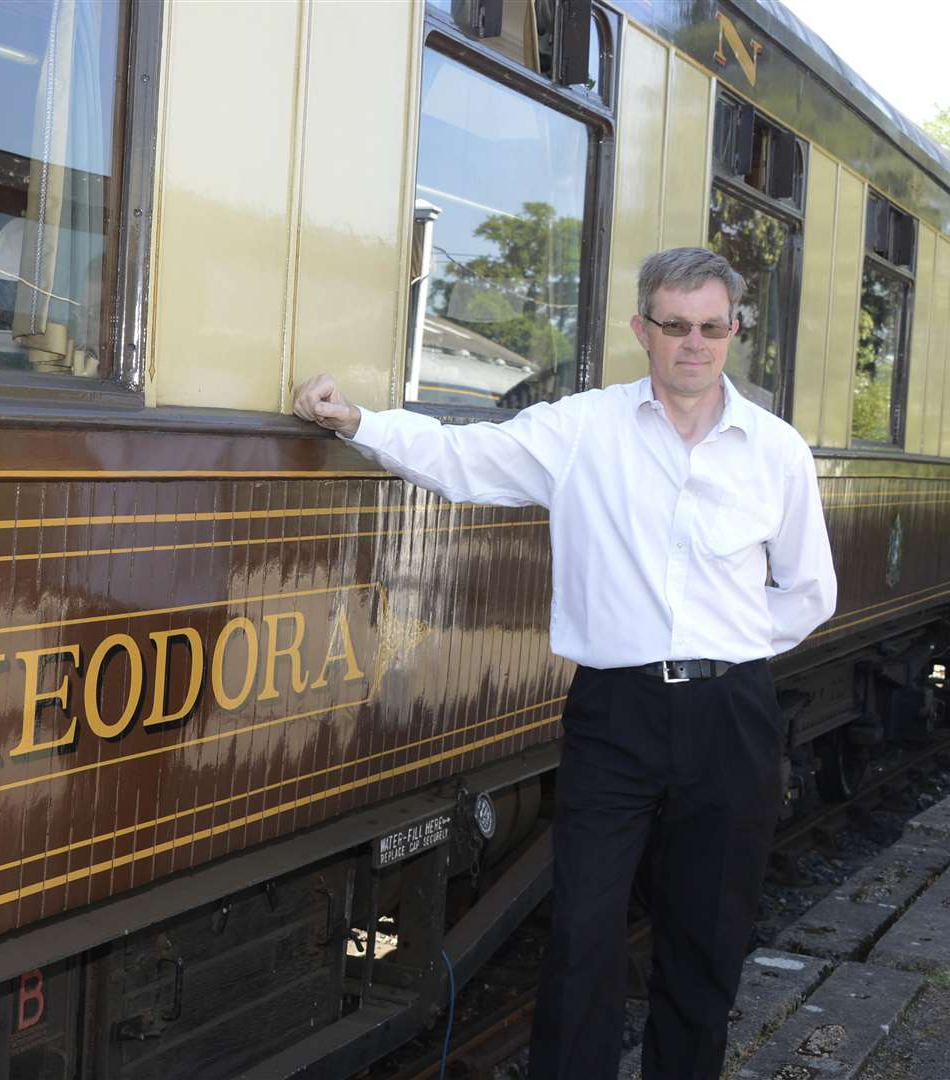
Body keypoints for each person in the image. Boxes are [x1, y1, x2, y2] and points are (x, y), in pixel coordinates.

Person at [292, 247, 837, 1080]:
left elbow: (808, 592)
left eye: (712, 327)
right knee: (582, 936)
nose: (695, 343)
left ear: (732, 331)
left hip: (732, 717)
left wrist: (721, 648)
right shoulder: (583, 429)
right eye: (676, 326)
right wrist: (359, 423)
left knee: (706, 940)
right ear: (642, 330)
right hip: (614, 715)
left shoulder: (776, 450)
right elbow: (462, 458)